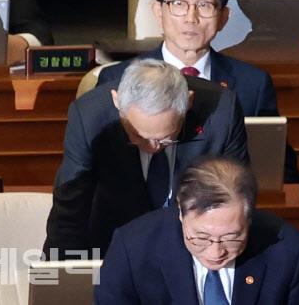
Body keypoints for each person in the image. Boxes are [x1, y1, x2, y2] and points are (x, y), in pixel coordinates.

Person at [96, 0, 299, 183]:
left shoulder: (253, 84)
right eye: (178, 4)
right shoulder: (117, 78)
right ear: (158, 11)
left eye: (204, 5)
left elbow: (280, 170)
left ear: (223, 17)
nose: (191, 18)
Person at [43, 58, 248, 259]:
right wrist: (58, 278)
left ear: (189, 103)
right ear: (117, 102)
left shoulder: (222, 112)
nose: (152, 147)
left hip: (191, 248)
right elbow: (70, 210)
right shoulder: (88, 116)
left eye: (165, 139)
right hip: (111, 241)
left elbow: (233, 198)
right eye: (138, 136)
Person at [96, 155, 299, 304]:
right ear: (181, 213)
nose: (215, 253)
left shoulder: (287, 250)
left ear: (249, 220)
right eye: (200, 238)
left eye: (232, 238)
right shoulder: (132, 248)